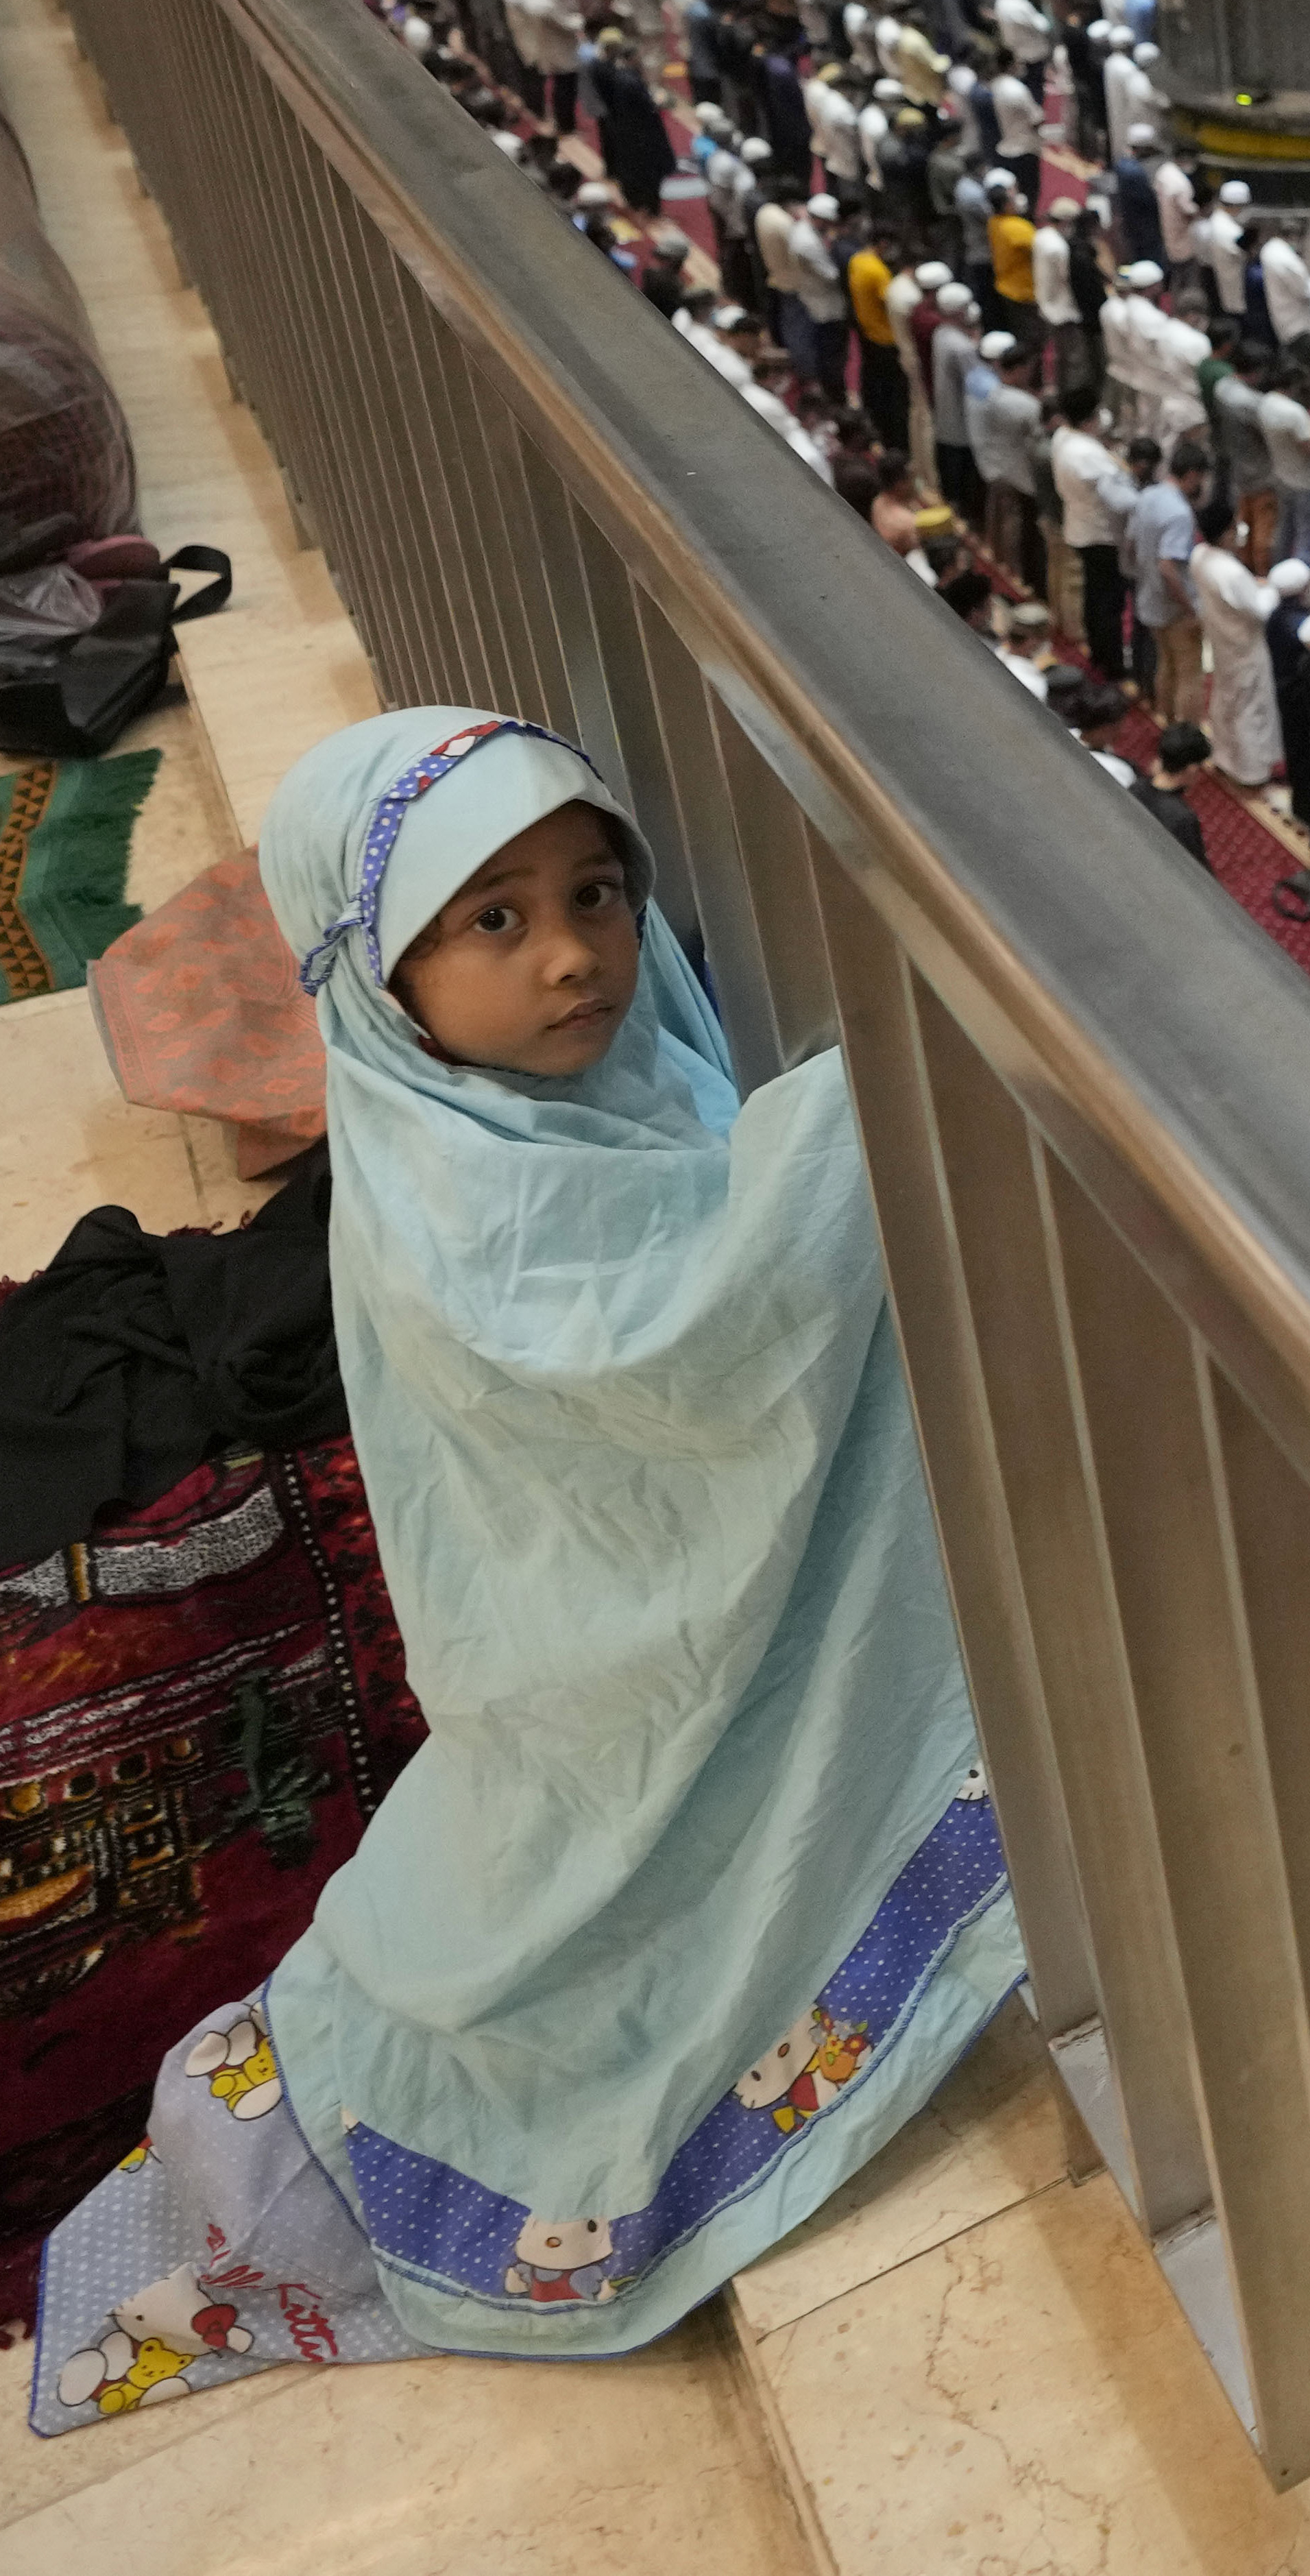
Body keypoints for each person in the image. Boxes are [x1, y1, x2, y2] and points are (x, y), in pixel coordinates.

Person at [51, 713, 1025, 2375]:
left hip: (630, 1601)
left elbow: (703, 1311)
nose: (576, 954)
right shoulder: (459, 1192)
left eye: (597, 890)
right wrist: (880, 1098)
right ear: (374, 972)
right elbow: (696, 1327)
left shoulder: (625, 1065)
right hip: (578, 1667)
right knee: (593, 1870)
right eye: (492, 918)